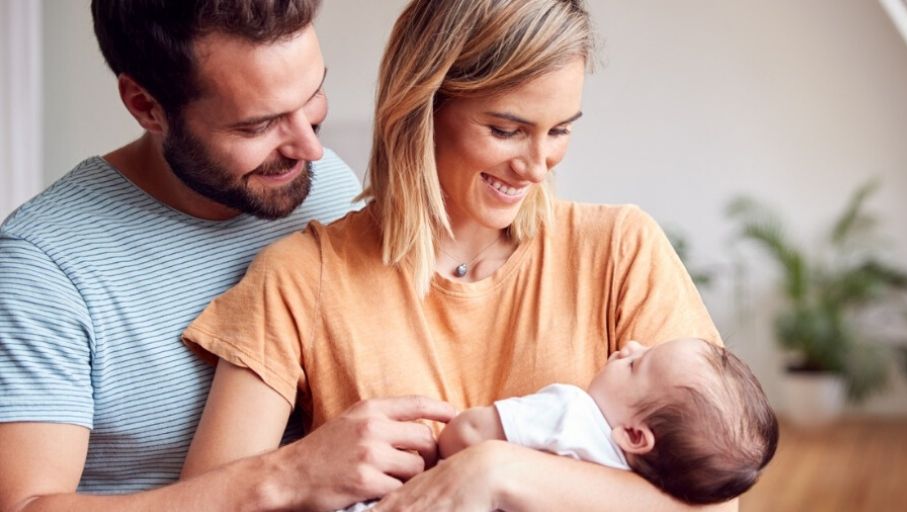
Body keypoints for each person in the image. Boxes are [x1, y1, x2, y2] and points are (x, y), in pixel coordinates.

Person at [181, 0, 738, 510]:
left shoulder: (621, 250)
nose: (537, 166)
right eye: (505, 130)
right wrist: (299, 468)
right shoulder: (302, 279)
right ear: (422, 107)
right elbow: (209, 499)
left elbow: (718, 505)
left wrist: (495, 469)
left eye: (560, 130)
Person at [0, 1, 456, 510]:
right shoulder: (43, 268)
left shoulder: (325, 188)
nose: (310, 148)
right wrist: (285, 475)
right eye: (257, 126)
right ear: (146, 105)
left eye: (313, 96)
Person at [438, 337, 779, 505]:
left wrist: (442, 435)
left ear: (633, 434)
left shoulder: (570, 414)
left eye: (636, 365)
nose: (630, 345)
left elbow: (464, 435)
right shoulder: (641, 487)